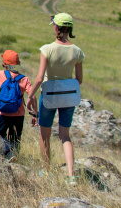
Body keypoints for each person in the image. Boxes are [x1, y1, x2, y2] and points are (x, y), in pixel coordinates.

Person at [27, 13, 84, 185]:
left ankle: (46, 171)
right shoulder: (77, 51)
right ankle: (71, 175)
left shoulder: (47, 49)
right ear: (70, 29)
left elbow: (39, 78)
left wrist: (30, 96)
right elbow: (79, 80)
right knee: (65, 136)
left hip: (50, 94)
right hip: (68, 96)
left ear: (56, 28)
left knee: (45, 134)